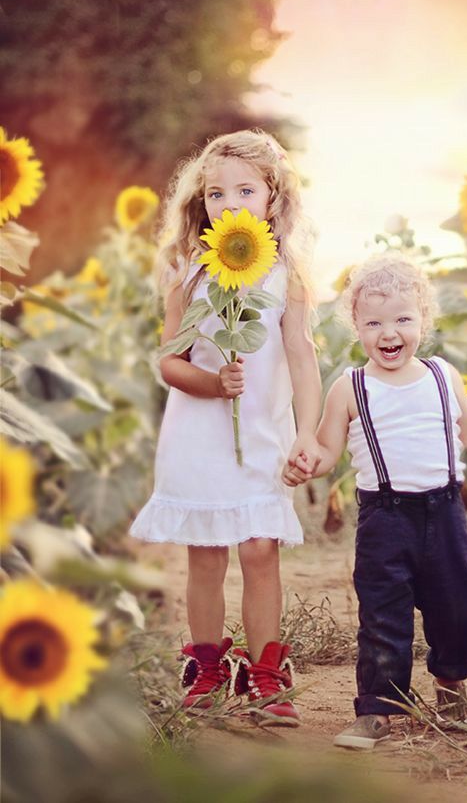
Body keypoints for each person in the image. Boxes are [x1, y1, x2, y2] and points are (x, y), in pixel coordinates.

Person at [283, 252, 467, 749]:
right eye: (373, 322)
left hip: (445, 512)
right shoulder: (350, 388)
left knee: (458, 607)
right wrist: (310, 461)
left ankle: (452, 690)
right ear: (356, 326)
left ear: (423, 321)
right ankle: (377, 708)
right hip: (384, 519)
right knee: (382, 615)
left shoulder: (442, 376)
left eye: (402, 319)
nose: (388, 333)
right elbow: (329, 448)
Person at [130, 130, 322, 725]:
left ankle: (267, 674)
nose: (230, 203)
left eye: (246, 189)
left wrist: (308, 433)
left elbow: (302, 356)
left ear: (274, 198)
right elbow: (169, 360)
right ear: (201, 203)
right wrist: (213, 384)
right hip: (199, 431)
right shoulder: (189, 270)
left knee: (261, 548)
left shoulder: (283, 272)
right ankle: (207, 665)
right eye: (216, 193)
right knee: (207, 553)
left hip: (263, 430)